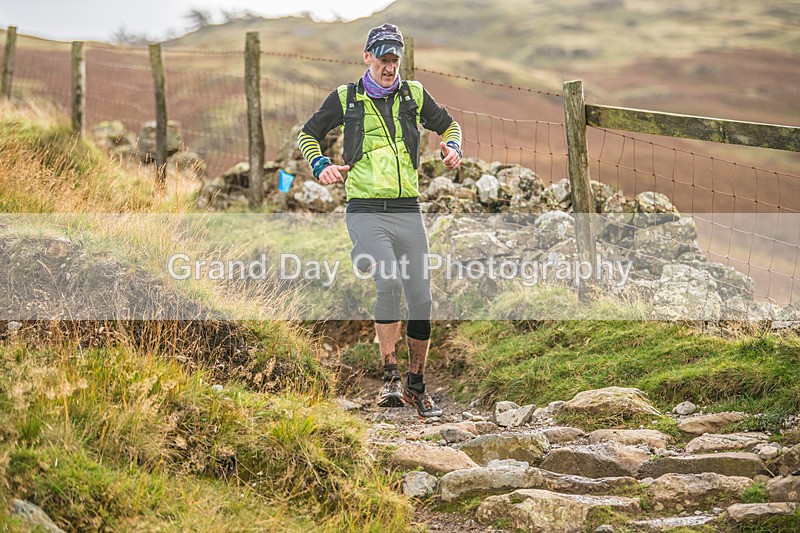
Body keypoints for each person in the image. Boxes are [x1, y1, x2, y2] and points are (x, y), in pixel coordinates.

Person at [298, 23, 462, 418]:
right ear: (367, 56)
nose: (390, 67)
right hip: (365, 209)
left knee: (421, 298)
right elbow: (308, 134)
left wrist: (452, 146)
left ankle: (416, 386)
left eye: (395, 60)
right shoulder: (346, 97)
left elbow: (450, 125)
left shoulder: (414, 94)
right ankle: (389, 377)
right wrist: (320, 164)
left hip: (408, 209)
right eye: (383, 59)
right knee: (388, 279)